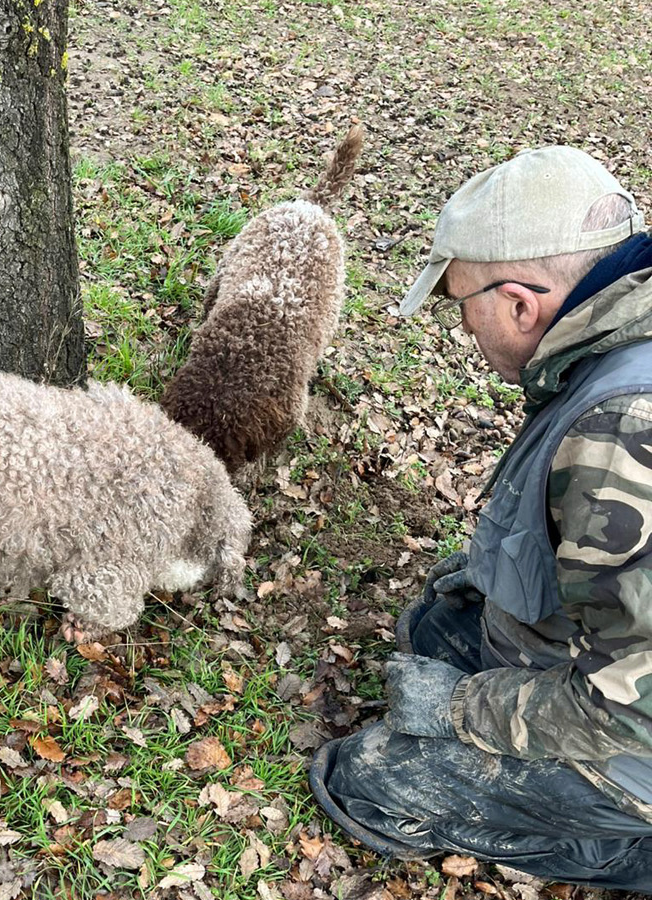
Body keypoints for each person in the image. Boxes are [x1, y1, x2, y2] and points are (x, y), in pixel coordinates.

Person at [307, 146, 652, 890]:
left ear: (522, 303)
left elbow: (634, 711)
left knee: (367, 777)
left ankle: (627, 846)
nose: (463, 328)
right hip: (608, 667)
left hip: (634, 741)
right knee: (434, 624)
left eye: (464, 304)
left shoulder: (624, 429)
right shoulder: (615, 342)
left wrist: (462, 707)